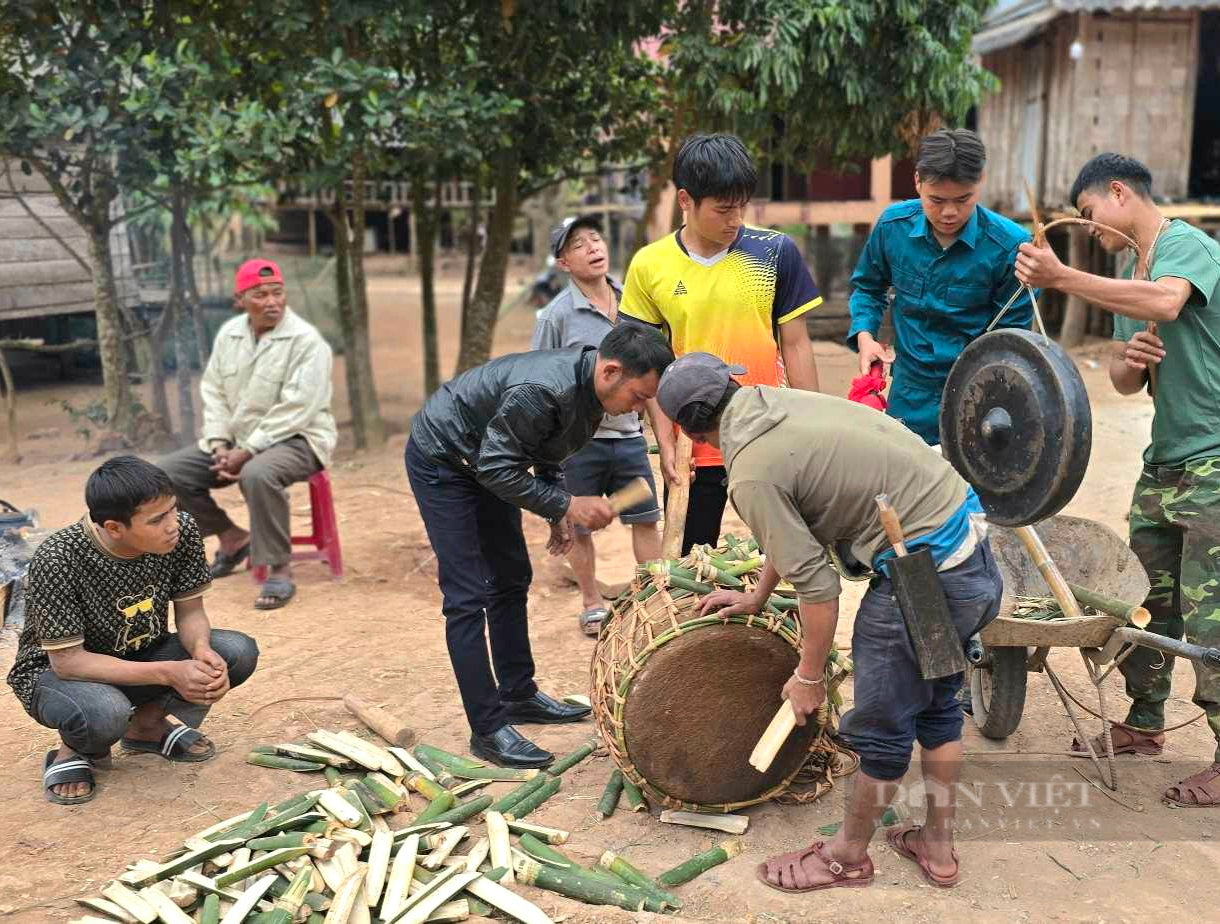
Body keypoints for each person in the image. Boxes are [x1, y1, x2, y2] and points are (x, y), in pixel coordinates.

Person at [657, 352, 1003, 892]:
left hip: (922, 576)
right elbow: (795, 528)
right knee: (937, 712)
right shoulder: (778, 403)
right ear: (731, 385)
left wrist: (809, 676)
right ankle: (937, 849)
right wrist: (758, 593)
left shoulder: (751, 472)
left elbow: (819, 589)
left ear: (689, 429)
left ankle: (845, 857)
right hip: (971, 555)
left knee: (882, 732)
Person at [1013, 152, 1220, 807]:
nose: (1090, 230)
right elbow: (1130, 382)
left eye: (1091, 214)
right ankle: (1144, 722)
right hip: (1167, 458)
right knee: (1145, 598)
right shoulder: (1129, 276)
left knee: (1214, 608)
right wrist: (1129, 361)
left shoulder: (1187, 246)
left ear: (1119, 193)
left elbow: (1165, 299)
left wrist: (1063, 277)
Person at [406, 325, 674, 768]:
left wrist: (557, 512)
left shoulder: (591, 393)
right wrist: (568, 502)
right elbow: (497, 466)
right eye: (641, 397)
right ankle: (488, 729)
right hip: (445, 459)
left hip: (486, 459)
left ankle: (517, 695)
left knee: (512, 577)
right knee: (467, 595)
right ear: (610, 371)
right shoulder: (542, 391)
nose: (643, 410)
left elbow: (547, 449)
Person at [6, 457, 259, 805]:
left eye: (173, 510)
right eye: (157, 520)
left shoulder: (182, 531)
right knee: (104, 711)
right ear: (114, 528)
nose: (173, 525)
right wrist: (171, 671)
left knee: (235, 652)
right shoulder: (58, 558)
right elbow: (67, 662)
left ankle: (146, 727)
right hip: (57, 674)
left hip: (140, 654)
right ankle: (74, 749)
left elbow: (190, 612)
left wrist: (201, 651)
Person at [620, 133, 822, 553]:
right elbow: (645, 363)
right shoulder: (650, 265)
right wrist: (666, 438)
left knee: (782, 554)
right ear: (685, 200)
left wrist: (812, 425)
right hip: (693, 440)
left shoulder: (774, 252)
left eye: (742, 207)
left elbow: (797, 345)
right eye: (723, 209)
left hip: (767, 429)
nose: (735, 220)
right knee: (691, 555)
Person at [157, 258, 335, 610]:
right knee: (164, 475)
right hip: (238, 441)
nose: (272, 302)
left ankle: (280, 568)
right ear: (240, 300)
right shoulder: (230, 334)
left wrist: (248, 451)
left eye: (278, 293)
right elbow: (215, 392)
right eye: (261, 294)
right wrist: (221, 442)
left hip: (300, 439)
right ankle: (233, 538)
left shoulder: (306, 341)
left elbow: (298, 408)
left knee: (258, 473)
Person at [847, 128, 1034, 445]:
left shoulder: (1010, 247)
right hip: (908, 393)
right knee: (902, 484)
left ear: (981, 181)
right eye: (936, 200)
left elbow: (1010, 339)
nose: (949, 212)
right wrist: (866, 338)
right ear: (918, 181)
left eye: (963, 199)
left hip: (979, 397)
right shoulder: (893, 228)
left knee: (971, 489)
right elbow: (868, 287)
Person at [532, 215, 662, 634]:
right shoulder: (554, 317)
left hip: (629, 439)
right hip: (578, 443)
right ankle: (591, 602)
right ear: (563, 263)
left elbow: (654, 377)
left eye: (596, 238)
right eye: (578, 245)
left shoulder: (635, 304)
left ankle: (654, 598)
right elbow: (539, 380)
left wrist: (667, 445)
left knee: (645, 519)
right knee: (579, 526)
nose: (592, 247)